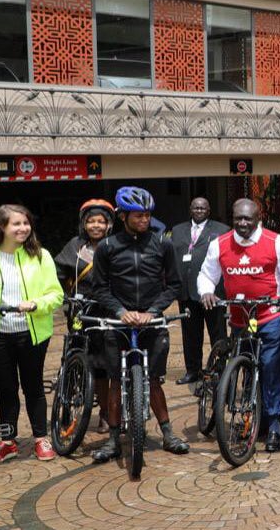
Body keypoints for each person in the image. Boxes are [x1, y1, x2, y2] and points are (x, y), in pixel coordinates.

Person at [87, 187, 189, 463]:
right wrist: (120, 311)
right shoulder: (108, 247)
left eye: (147, 215)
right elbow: (99, 288)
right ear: (123, 216)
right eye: (138, 215)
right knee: (115, 381)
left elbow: (175, 285)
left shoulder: (162, 244)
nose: (145, 220)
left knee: (154, 380)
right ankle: (112, 440)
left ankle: (167, 434)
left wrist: (153, 311)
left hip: (152, 321)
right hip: (118, 322)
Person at [198, 198, 280, 453]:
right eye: (238, 219)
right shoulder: (219, 244)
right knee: (245, 366)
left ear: (258, 219)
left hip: (270, 316)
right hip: (239, 317)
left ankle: (274, 422)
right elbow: (207, 275)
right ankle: (253, 414)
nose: (242, 224)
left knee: (270, 367)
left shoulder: (275, 242)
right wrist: (207, 292)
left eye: (248, 219)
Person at [0, 205, 63, 463]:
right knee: (6, 388)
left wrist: (36, 304)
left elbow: (56, 294)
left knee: (34, 387)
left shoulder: (41, 256)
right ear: (1, 227)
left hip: (32, 332)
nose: (23, 228)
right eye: (16, 224)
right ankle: (9, 441)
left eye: (26, 223)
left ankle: (41, 438)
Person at [53, 199, 115, 434]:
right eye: (91, 221)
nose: (96, 225)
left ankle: (107, 412)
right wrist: (63, 295)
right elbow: (58, 274)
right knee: (77, 359)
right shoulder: (75, 247)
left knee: (104, 364)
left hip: (108, 312)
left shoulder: (115, 245)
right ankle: (69, 407)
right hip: (81, 311)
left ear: (109, 224)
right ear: (84, 224)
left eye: (101, 221)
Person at [168, 197, 230, 385]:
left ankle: (220, 371)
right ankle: (192, 371)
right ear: (190, 209)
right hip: (186, 293)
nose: (199, 210)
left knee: (217, 333)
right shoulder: (177, 230)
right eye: (196, 207)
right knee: (190, 335)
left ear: (209, 210)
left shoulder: (222, 230)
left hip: (213, 293)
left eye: (203, 208)